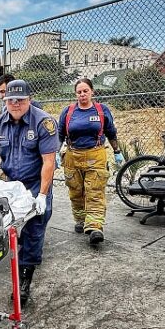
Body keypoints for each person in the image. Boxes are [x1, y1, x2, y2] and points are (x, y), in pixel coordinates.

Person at [0, 79, 58, 305]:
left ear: (29, 99)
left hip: (36, 182)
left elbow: (49, 162)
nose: (15, 104)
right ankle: (20, 261)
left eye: (20, 99)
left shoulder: (43, 123)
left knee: (34, 229)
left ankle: (25, 279)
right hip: (12, 185)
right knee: (9, 229)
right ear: (4, 99)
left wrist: (42, 196)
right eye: (10, 99)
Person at [58, 78, 122, 245]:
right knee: (76, 191)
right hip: (72, 156)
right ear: (76, 94)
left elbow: (111, 132)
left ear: (92, 92)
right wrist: (56, 154)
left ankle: (95, 227)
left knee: (94, 191)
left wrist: (117, 152)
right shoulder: (68, 112)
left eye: (85, 91)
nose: (82, 94)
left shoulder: (101, 110)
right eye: (79, 92)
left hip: (96, 155)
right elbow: (59, 135)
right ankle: (80, 220)